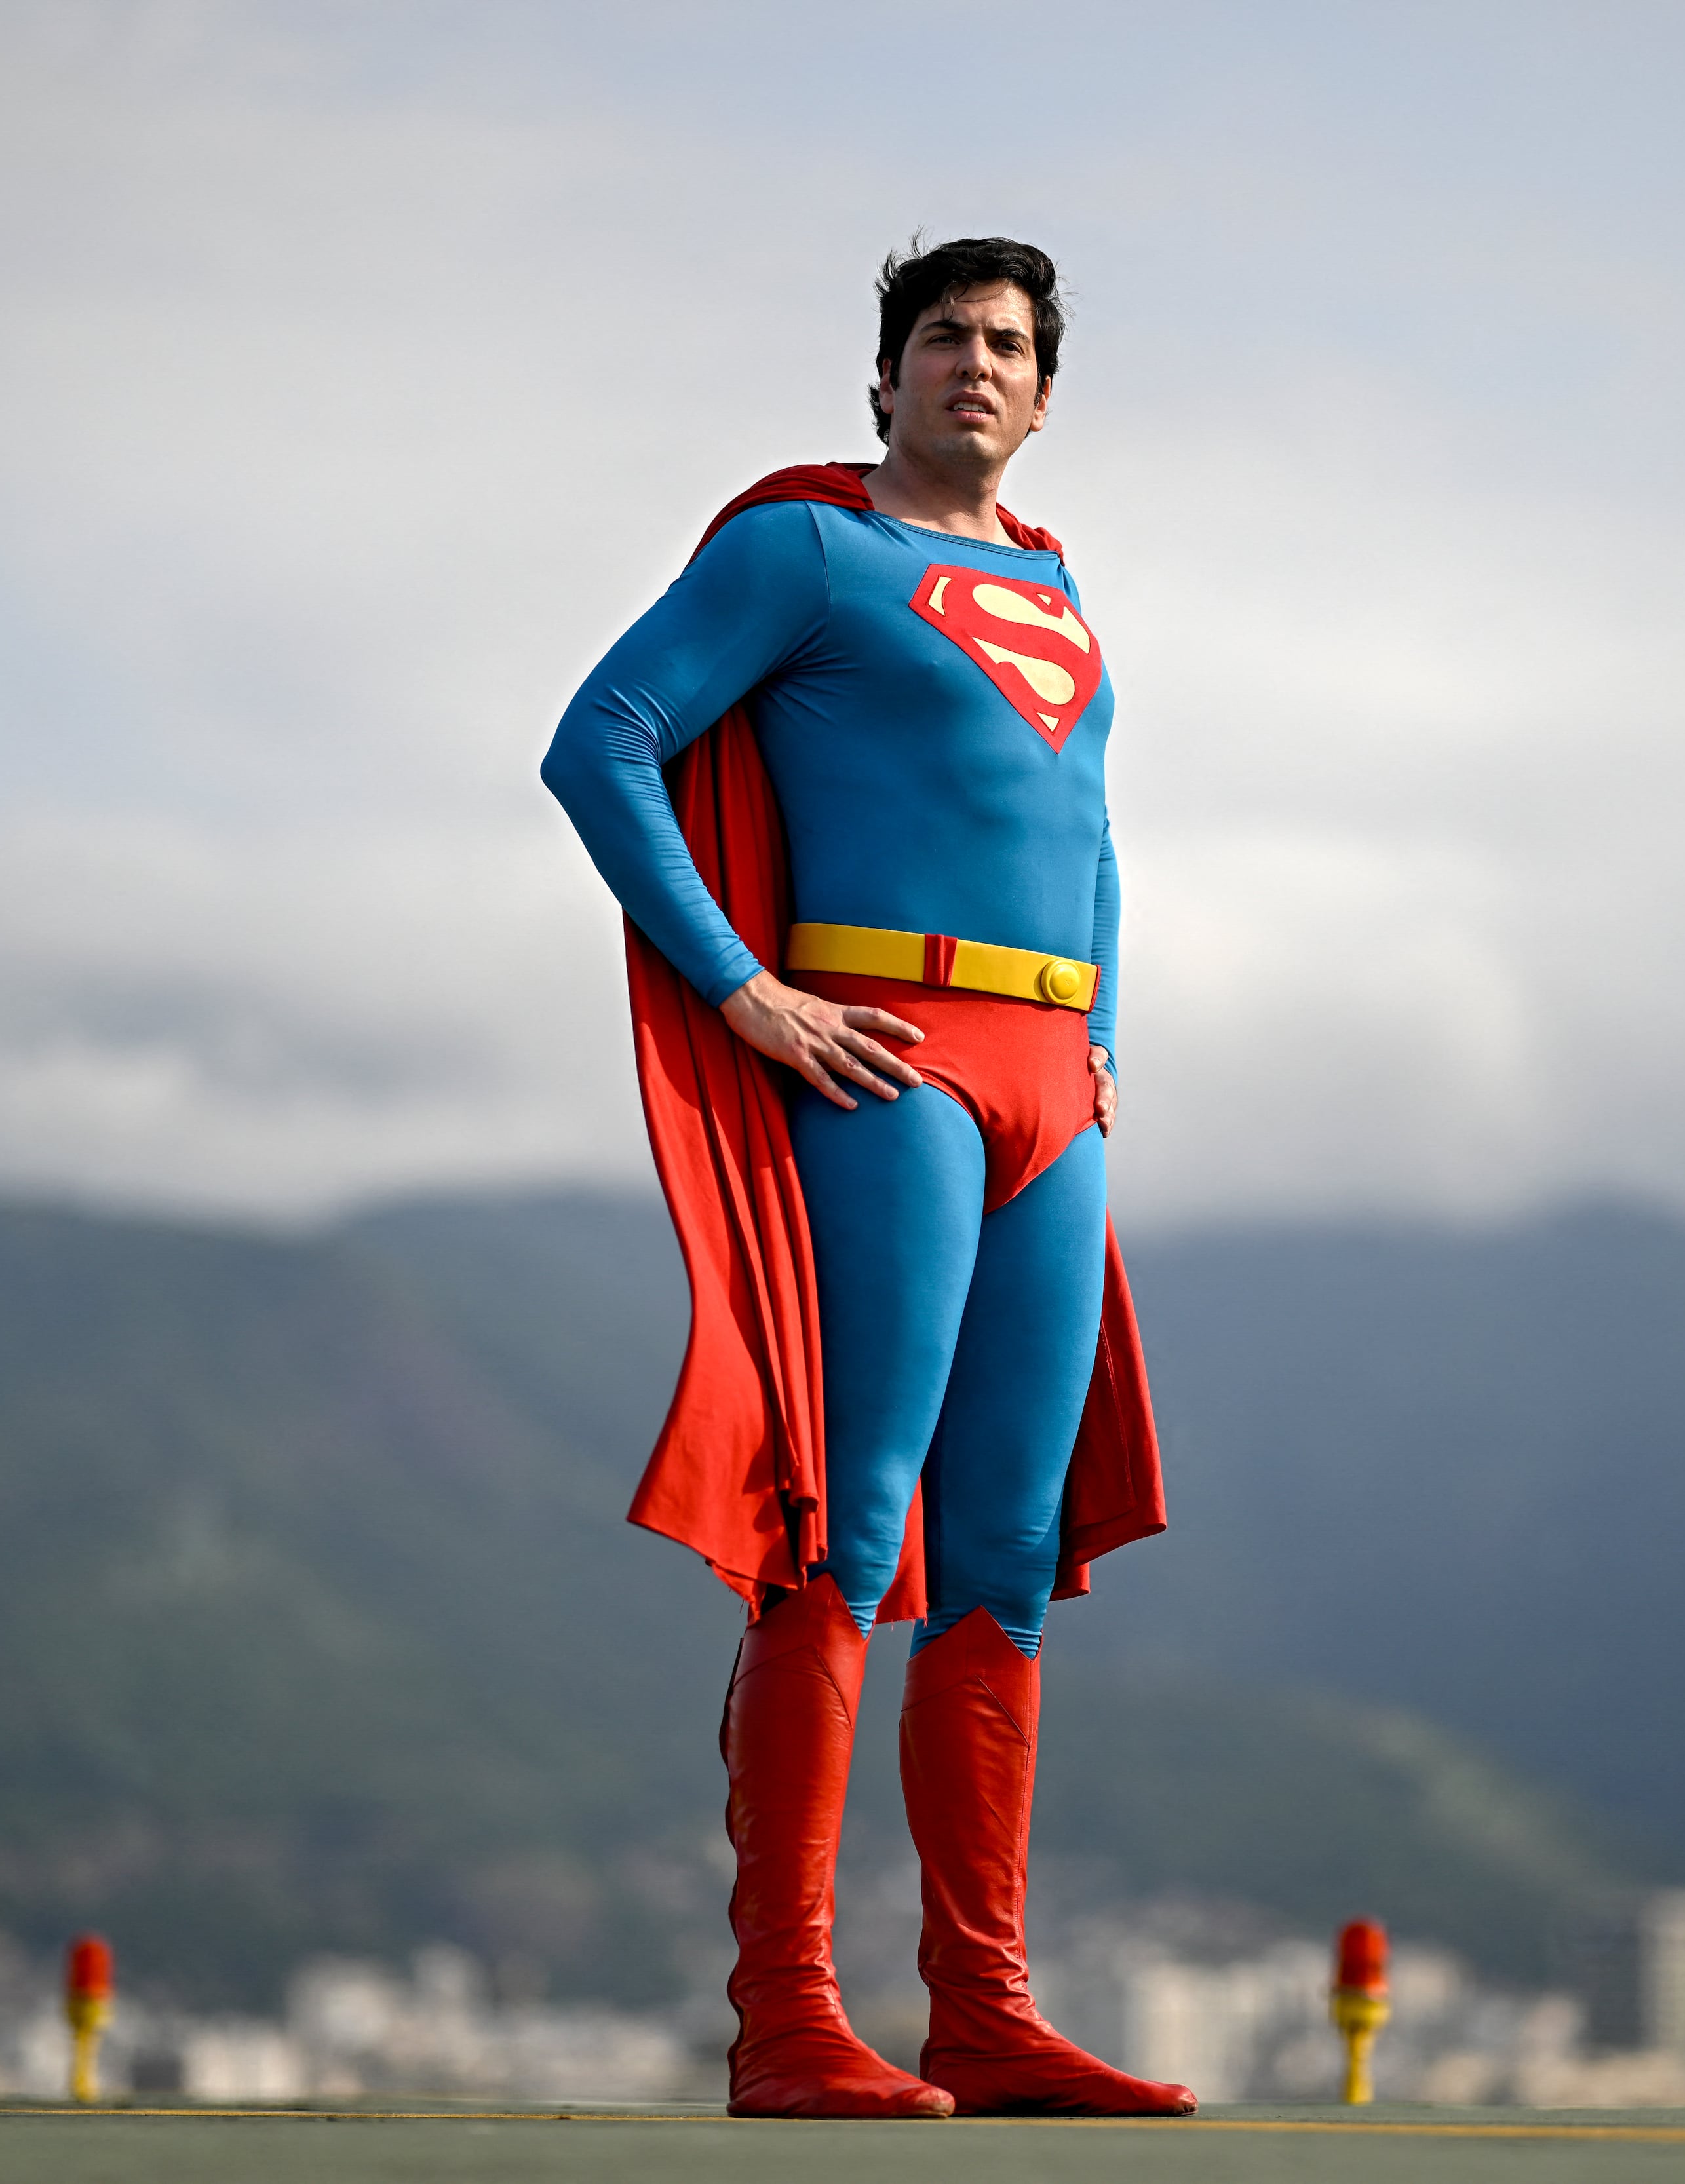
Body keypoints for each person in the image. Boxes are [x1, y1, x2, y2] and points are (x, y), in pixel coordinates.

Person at [541, 237, 1190, 2121]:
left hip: (1048, 1089)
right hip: (882, 1061)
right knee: (846, 1517)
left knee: (1004, 1554)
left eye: (1007, 346)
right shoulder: (807, 553)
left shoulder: (1063, 589)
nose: (974, 367)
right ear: (886, 377)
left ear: (1045, 395)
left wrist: (1108, 1042)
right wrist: (743, 993)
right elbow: (604, 743)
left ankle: (982, 2010)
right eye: (942, 339)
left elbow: (1093, 841)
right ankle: (789, 2022)